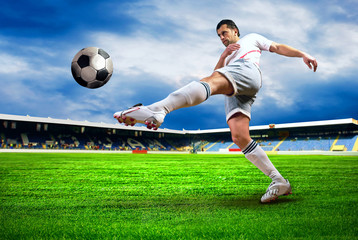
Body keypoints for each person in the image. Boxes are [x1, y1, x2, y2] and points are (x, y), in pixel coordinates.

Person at [114, 19, 318, 203]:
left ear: (235, 31)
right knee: (239, 136)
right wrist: (224, 55)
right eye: (219, 35)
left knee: (206, 83)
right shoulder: (227, 57)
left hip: (246, 70)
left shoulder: (251, 39)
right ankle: (279, 181)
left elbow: (276, 47)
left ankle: (159, 109)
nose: (222, 37)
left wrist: (302, 54)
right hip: (236, 90)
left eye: (224, 33)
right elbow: (215, 73)